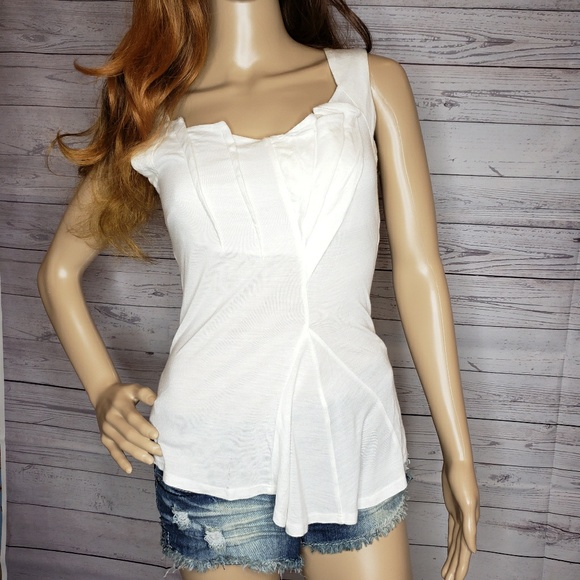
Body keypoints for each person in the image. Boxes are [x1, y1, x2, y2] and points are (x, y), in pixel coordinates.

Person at [38, 1, 480, 579]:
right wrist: (103, 391)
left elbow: (419, 270)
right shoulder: (157, 112)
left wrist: (458, 452)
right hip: (213, 446)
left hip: (351, 436)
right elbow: (58, 271)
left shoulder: (372, 83)